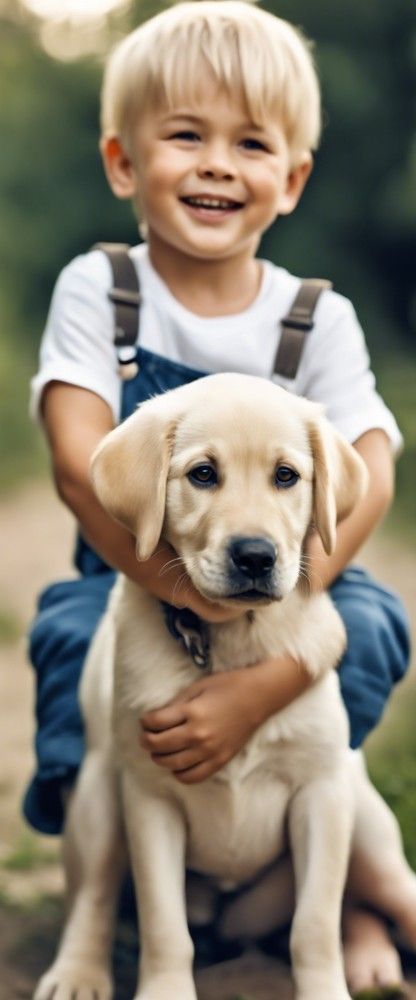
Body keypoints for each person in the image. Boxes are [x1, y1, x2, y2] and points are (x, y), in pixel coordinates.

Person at [25, 2, 413, 993]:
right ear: (123, 163)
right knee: (76, 639)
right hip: (130, 559)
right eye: (184, 135)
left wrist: (287, 636)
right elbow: (81, 466)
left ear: (289, 180)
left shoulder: (311, 319)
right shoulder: (101, 289)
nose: (214, 163)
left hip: (299, 570)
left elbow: (368, 453)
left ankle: (357, 901)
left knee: (367, 631)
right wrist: (175, 590)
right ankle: (94, 912)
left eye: (248, 143)